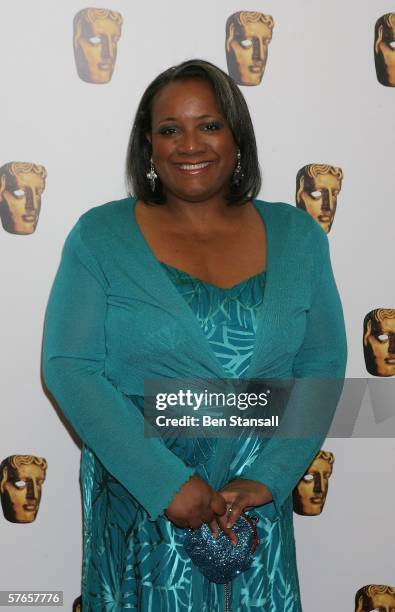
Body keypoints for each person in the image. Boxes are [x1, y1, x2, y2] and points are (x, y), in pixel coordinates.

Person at [42, 59, 347, 611]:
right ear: (148, 146)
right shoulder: (100, 235)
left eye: (208, 125)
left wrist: (270, 478)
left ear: (237, 137)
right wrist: (164, 484)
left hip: (253, 507)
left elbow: (322, 363)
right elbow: (69, 366)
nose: (189, 145)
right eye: (169, 129)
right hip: (142, 505)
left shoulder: (299, 236)